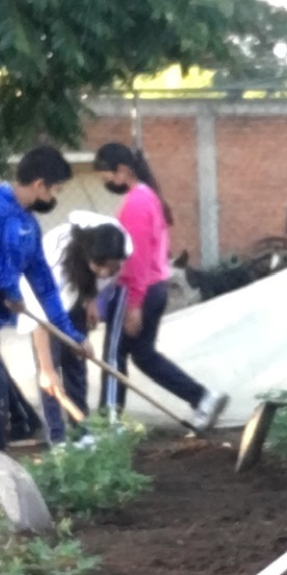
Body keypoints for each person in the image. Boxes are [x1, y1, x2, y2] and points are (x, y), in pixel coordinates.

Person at [0, 145, 86, 451]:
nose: (54, 199)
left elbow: (46, 286)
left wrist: (72, 335)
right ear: (40, 185)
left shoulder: (28, 225)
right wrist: (9, 286)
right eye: (55, 191)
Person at [93, 142, 229, 431]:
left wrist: (133, 305)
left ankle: (109, 424)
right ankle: (203, 398)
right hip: (155, 287)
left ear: (122, 170)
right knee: (144, 355)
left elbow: (136, 258)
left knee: (113, 355)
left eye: (106, 176)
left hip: (137, 290)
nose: (105, 182)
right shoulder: (149, 197)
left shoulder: (136, 203)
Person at [33, 211, 132, 443]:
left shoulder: (119, 247)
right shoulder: (54, 262)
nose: (106, 273)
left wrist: (91, 301)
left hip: (75, 292)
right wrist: (46, 369)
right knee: (51, 374)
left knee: (77, 362)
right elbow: (40, 317)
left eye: (112, 267)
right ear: (88, 257)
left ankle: (81, 434)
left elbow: (98, 279)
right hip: (43, 307)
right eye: (100, 266)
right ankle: (56, 440)